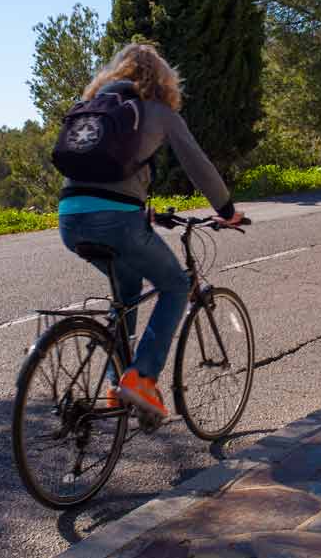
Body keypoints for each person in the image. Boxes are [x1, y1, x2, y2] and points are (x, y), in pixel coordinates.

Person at [57, 43, 243, 422]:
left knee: (127, 292)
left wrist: (142, 207)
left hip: (69, 218)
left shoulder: (91, 105)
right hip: (118, 222)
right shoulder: (158, 110)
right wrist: (227, 211)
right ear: (163, 77)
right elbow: (197, 164)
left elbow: (105, 171)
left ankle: (114, 385)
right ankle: (141, 378)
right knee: (175, 285)